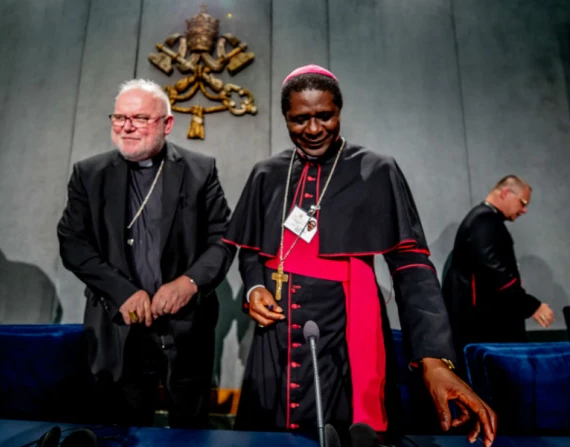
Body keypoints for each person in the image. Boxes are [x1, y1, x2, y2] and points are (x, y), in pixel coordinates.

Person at [223, 65, 497, 445]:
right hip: (275, 341)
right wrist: (255, 288)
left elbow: (412, 267)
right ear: (285, 117)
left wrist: (434, 359)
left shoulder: (376, 170)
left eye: (325, 116)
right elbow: (251, 251)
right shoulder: (267, 174)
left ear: (340, 110)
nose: (314, 129)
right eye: (300, 119)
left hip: (345, 335)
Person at [57, 79, 234, 428]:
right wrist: (122, 291)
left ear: (167, 124)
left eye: (139, 118)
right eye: (119, 117)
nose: (127, 126)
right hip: (118, 321)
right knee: (119, 428)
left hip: (185, 322)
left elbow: (224, 238)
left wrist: (188, 282)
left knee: (189, 429)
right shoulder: (89, 174)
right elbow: (72, 242)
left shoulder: (200, 170)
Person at [443, 176, 554, 372]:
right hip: (486, 334)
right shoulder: (485, 222)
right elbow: (495, 274)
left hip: (479, 331)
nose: (524, 210)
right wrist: (532, 306)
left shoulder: (480, 220)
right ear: (505, 193)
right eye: (523, 202)